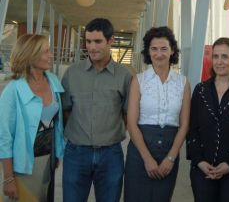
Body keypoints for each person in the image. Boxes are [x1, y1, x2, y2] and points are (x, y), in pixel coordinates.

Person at [61, 18, 132, 202]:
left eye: (98, 41)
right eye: (88, 41)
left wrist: (108, 135)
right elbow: (66, 111)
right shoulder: (72, 74)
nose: (92, 47)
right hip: (76, 154)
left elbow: (127, 114)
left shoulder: (124, 76)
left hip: (111, 155)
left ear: (111, 41)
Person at [124, 26, 191, 202]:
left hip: (169, 148)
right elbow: (131, 123)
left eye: (164, 49)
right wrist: (147, 158)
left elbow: (184, 124)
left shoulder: (183, 83)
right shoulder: (138, 80)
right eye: (154, 49)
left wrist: (171, 157)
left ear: (172, 51)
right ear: (148, 51)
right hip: (141, 149)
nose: (158, 54)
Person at [187, 37, 229, 202]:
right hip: (203, 170)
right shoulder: (201, 90)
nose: (219, 61)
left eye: (225, 56)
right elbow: (192, 129)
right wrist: (199, 161)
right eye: (216, 56)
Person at [0, 34, 65, 201]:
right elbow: (4, 137)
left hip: (48, 163)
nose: (51, 55)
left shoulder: (53, 81)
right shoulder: (13, 90)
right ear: (30, 55)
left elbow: (57, 124)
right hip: (23, 167)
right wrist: (8, 179)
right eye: (46, 51)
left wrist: (58, 152)